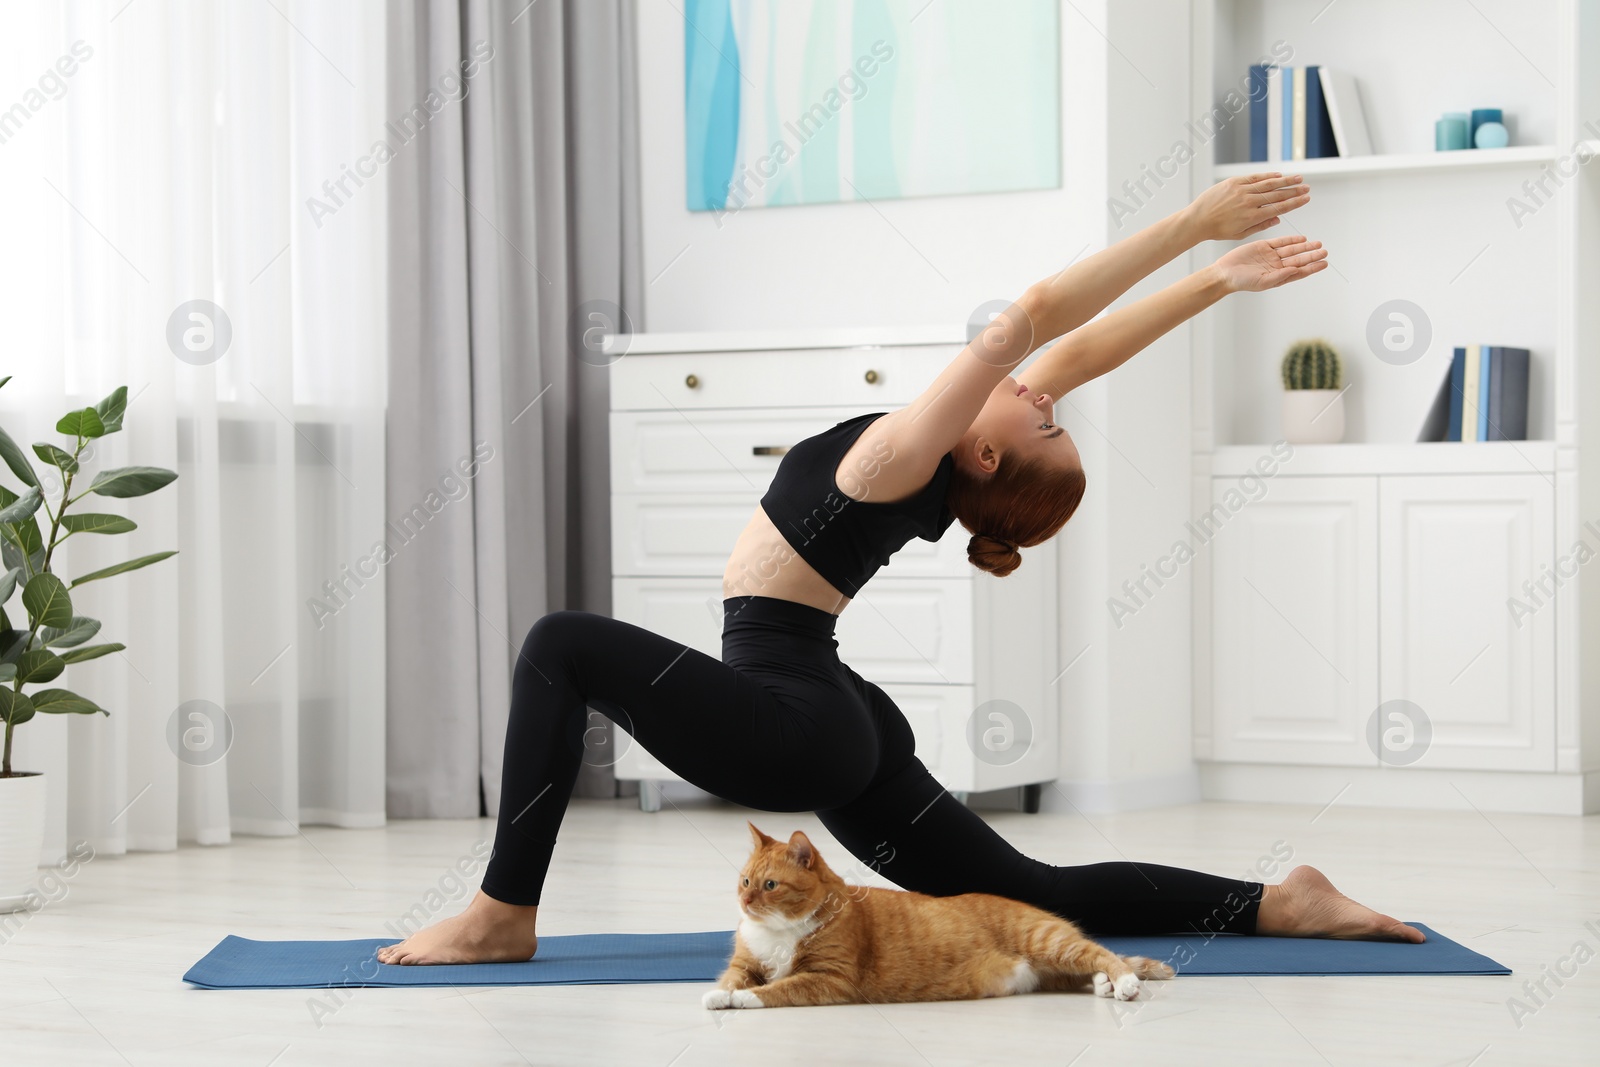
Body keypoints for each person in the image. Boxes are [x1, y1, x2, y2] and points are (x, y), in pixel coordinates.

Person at [379, 172, 1424, 965]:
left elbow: (1031, 319)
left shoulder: (896, 460)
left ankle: (500, 912)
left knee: (561, 643)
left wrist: (1195, 226)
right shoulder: (945, 456)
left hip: (797, 718)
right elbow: (1080, 349)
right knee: (1024, 886)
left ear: (979, 454)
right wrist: (1213, 281)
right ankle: (1276, 901)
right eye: (1052, 415)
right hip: (840, 714)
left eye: (1044, 423)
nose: (1045, 396)